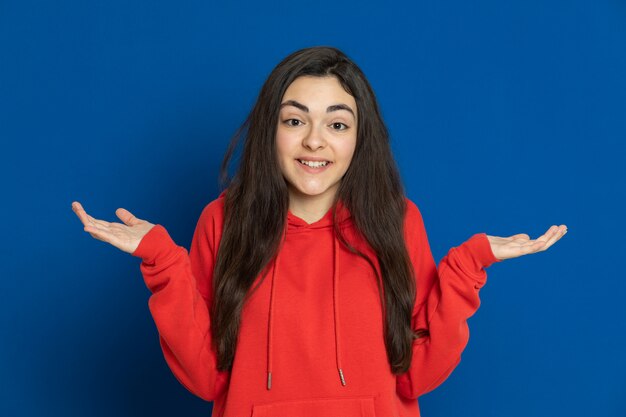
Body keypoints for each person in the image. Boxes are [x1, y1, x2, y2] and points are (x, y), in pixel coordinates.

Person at [71, 46, 567, 417]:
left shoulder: (395, 221)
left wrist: (466, 267)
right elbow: (205, 376)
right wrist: (162, 261)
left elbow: (418, 372)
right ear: (272, 129)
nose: (314, 140)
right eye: (295, 120)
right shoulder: (223, 222)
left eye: (337, 124)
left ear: (359, 138)